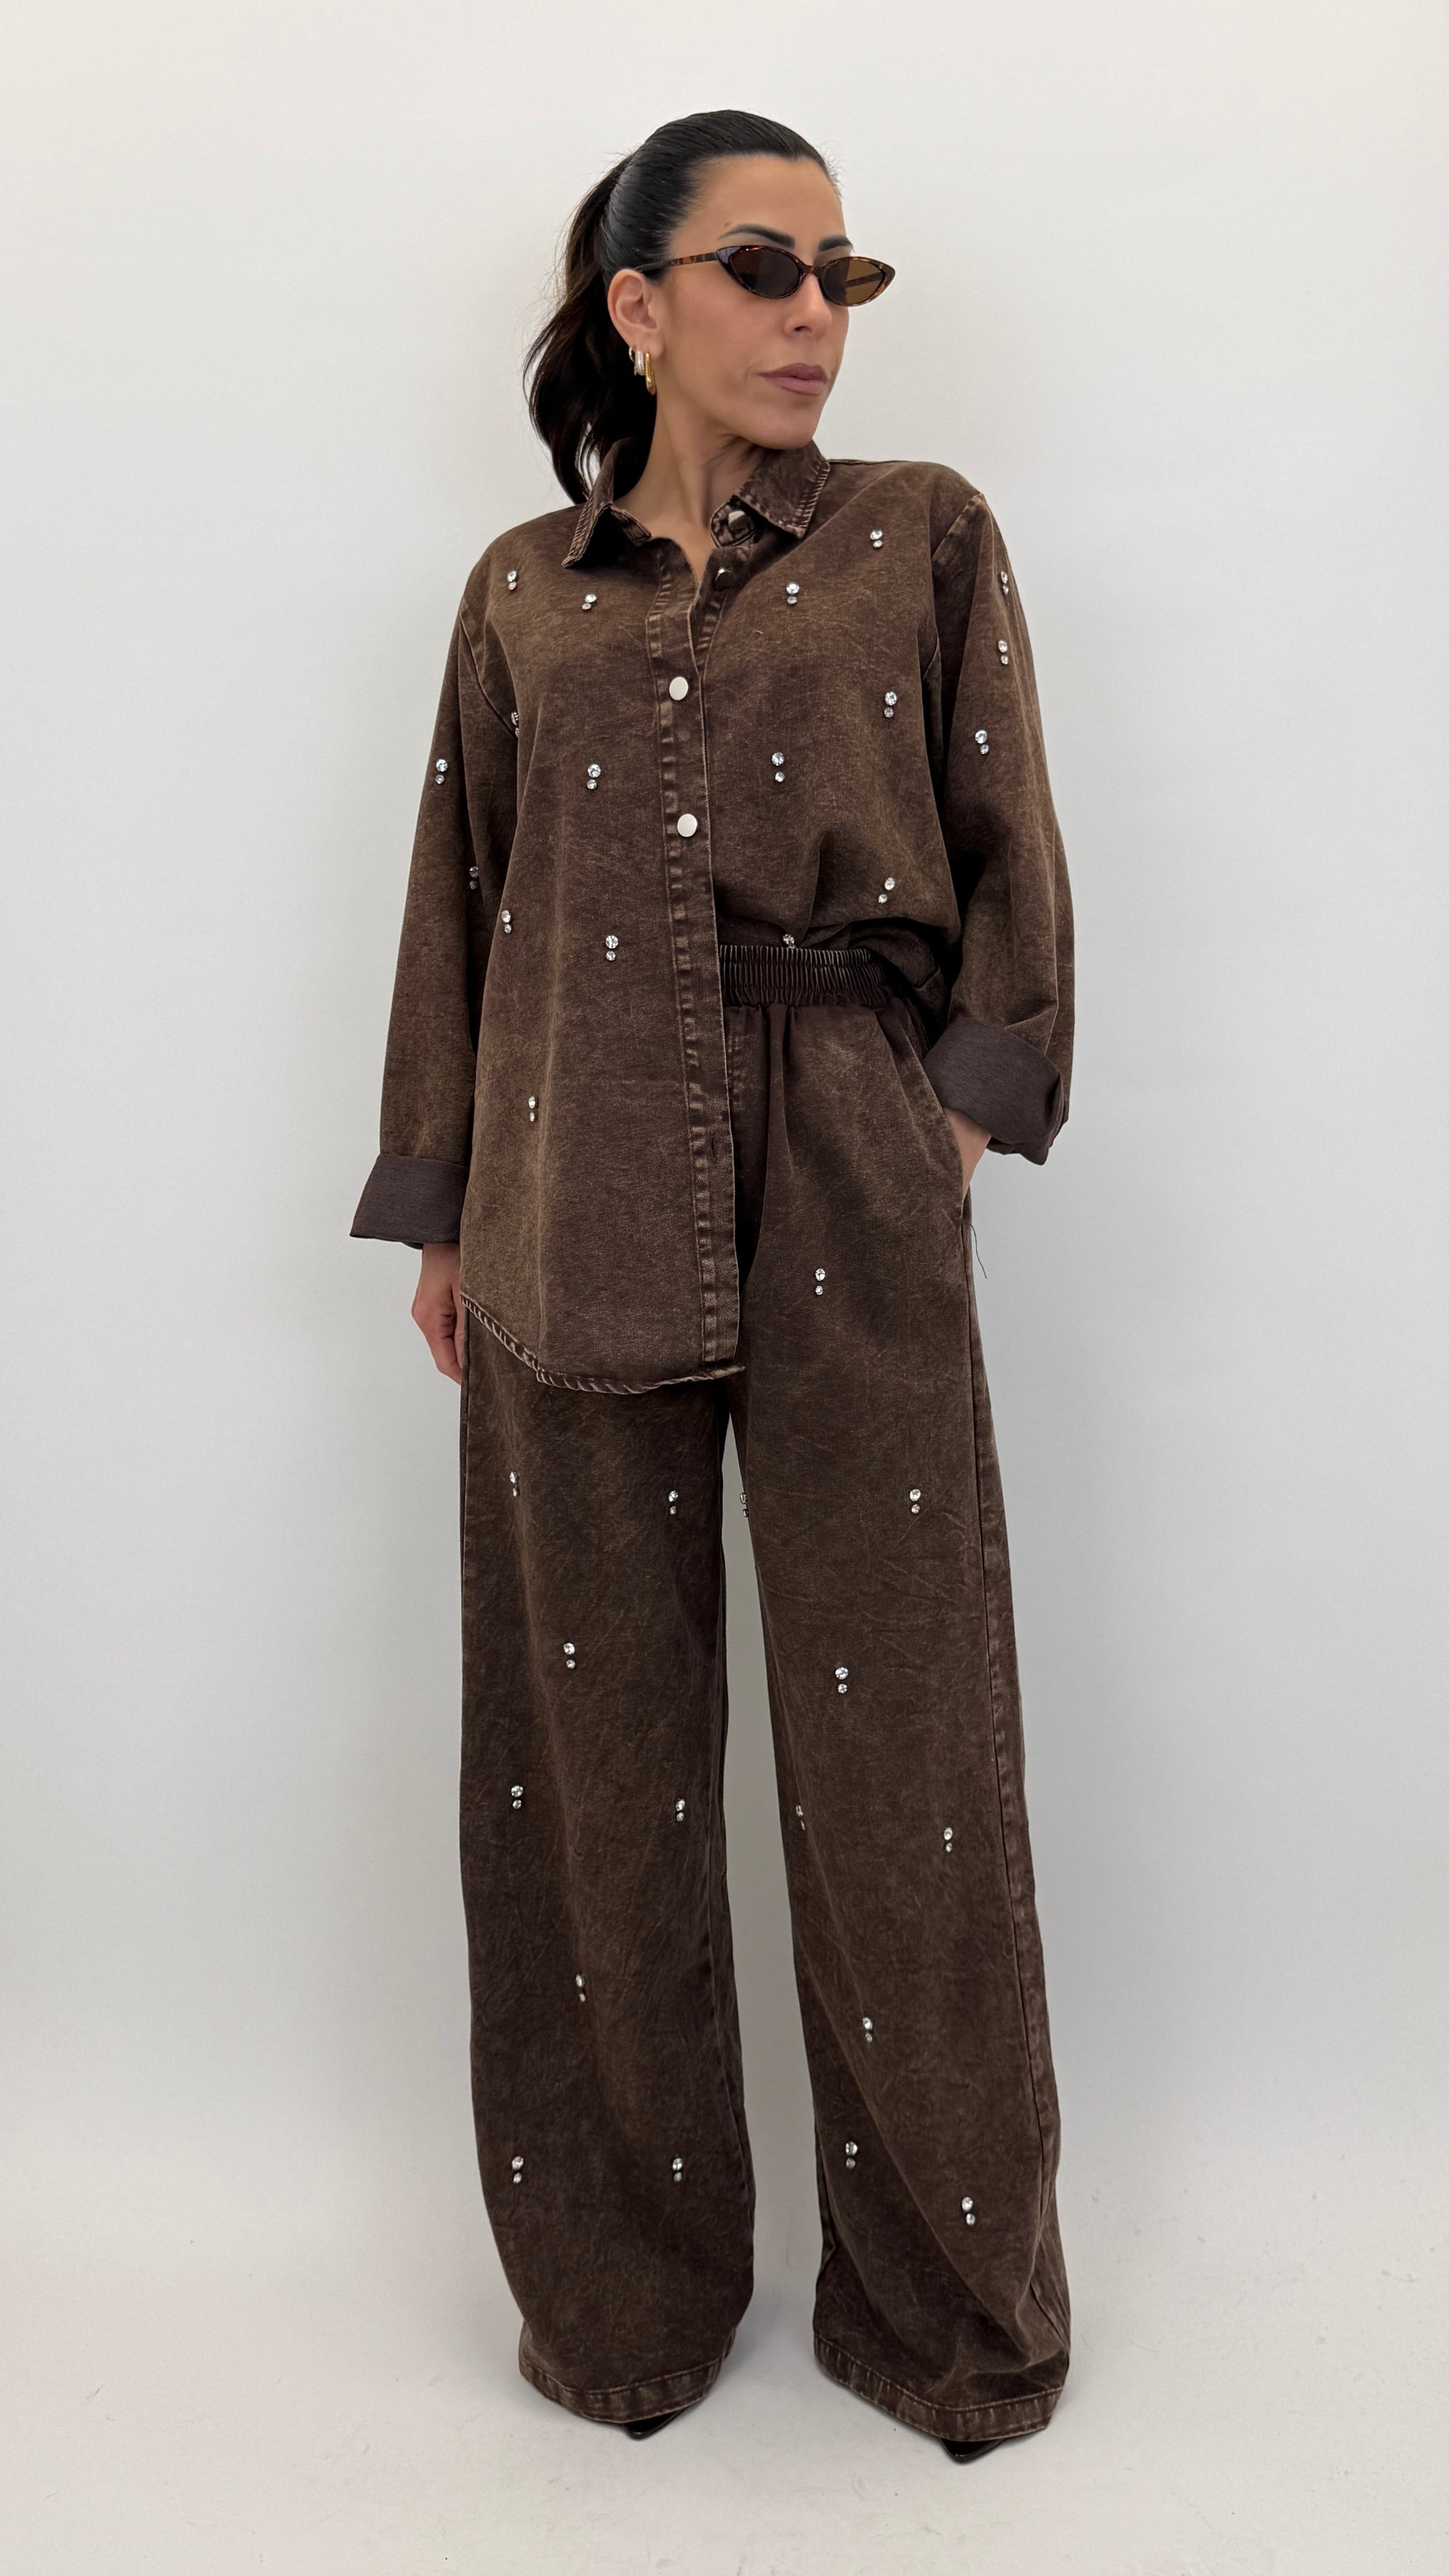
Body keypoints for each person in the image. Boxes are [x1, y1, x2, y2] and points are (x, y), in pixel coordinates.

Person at [351, 108, 1074, 2461]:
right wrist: (446, 1200)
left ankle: (948, 2312)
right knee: (593, 1761)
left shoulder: (922, 534)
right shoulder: (519, 593)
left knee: (908, 1756)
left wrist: (948, 1106)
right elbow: (461, 897)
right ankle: (628, 2303)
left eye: (844, 277)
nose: (814, 315)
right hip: (567, 1168)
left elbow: (1009, 849)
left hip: (851, 1160)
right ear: (639, 306)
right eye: (767, 267)